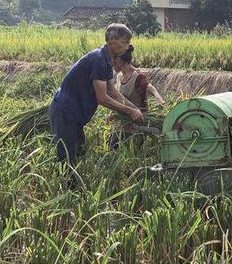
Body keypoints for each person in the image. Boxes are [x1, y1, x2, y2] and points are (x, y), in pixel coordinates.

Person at [49, 23, 143, 165]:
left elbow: (112, 91)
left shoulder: (106, 60)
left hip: (74, 113)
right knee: (67, 159)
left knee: (80, 152)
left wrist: (135, 109)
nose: (126, 47)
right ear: (112, 40)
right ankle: (65, 186)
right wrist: (130, 111)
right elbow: (103, 98)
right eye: (125, 42)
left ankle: (72, 185)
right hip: (65, 110)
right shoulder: (98, 59)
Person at [109, 44, 165, 149]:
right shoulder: (119, 76)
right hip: (120, 125)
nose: (111, 64)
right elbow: (117, 98)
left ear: (119, 60)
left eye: (112, 60)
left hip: (135, 127)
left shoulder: (137, 77)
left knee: (133, 154)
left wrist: (158, 96)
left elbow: (149, 87)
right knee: (112, 151)